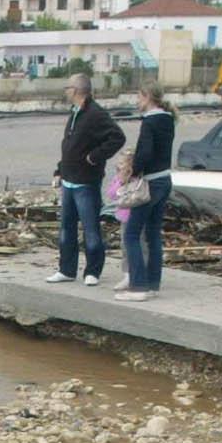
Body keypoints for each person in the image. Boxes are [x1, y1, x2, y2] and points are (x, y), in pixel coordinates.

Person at [46, 76, 123, 286]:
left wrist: (94, 157)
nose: (65, 91)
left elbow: (117, 137)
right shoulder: (75, 113)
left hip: (86, 182)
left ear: (77, 90)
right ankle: (66, 269)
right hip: (69, 181)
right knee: (66, 228)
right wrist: (59, 170)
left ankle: (93, 271)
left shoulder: (95, 114)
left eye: (67, 87)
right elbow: (69, 147)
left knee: (90, 228)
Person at [116, 85, 177, 302]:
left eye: (138, 96)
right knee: (153, 234)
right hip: (165, 179)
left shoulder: (149, 122)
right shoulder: (168, 119)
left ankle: (138, 287)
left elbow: (146, 153)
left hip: (149, 183)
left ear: (147, 96)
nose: (137, 101)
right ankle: (152, 284)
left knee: (131, 234)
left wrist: (131, 173)